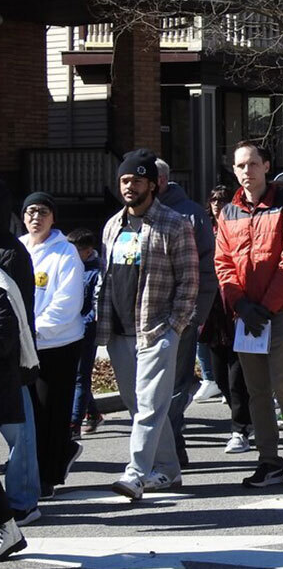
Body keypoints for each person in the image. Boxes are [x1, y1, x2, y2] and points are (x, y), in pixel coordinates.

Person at [96, 149, 200, 499]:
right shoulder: (113, 225)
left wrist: (175, 325)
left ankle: (137, 473)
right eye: (125, 180)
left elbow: (190, 280)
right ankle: (169, 471)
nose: (129, 186)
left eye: (137, 180)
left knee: (151, 406)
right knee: (139, 406)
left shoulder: (174, 223)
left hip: (157, 329)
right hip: (119, 330)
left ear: (152, 185)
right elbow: (108, 277)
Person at [214, 141, 283, 489]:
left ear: (267, 166)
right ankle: (269, 462)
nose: (246, 171)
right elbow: (223, 262)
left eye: (253, 164)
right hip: (246, 315)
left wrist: (267, 307)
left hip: (282, 311)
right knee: (256, 392)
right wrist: (240, 304)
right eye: (240, 165)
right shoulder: (228, 212)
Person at [20, 192, 85, 498]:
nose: (36, 217)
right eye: (31, 212)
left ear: (53, 218)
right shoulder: (17, 249)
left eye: (43, 212)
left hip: (58, 344)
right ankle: (56, 455)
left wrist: (36, 331)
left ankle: (47, 476)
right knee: (29, 412)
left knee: (51, 411)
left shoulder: (65, 252)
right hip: (24, 345)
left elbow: (67, 302)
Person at [153, 158, 217, 469]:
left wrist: (197, 313)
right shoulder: (136, 215)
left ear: (161, 181)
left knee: (175, 386)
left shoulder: (191, 214)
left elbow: (208, 268)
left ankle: (172, 445)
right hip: (145, 319)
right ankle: (162, 446)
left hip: (183, 316)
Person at [201, 185, 254, 454]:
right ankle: (247, 415)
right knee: (219, 375)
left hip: (237, 308)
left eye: (222, 200)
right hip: (213, 313)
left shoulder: (237, 226)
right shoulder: (205, 232)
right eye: (213, 200)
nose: (217, 204)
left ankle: (240, 428)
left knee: (237, 375)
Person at [0, 180, 38, 528]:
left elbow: (17, 314)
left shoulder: (11, 254)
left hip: (12, 358)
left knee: (18, 435)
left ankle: (24, 501)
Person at [66, 229, 104, 440]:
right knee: (76, 375)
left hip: (86, 330)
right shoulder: (71, 266)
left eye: (76, 250)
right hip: (67, 329)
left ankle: (74, 423)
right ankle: (93, 412)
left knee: (81, 376)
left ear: (88, 251)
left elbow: (96, 308)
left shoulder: (96, 272)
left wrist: (82, 323)